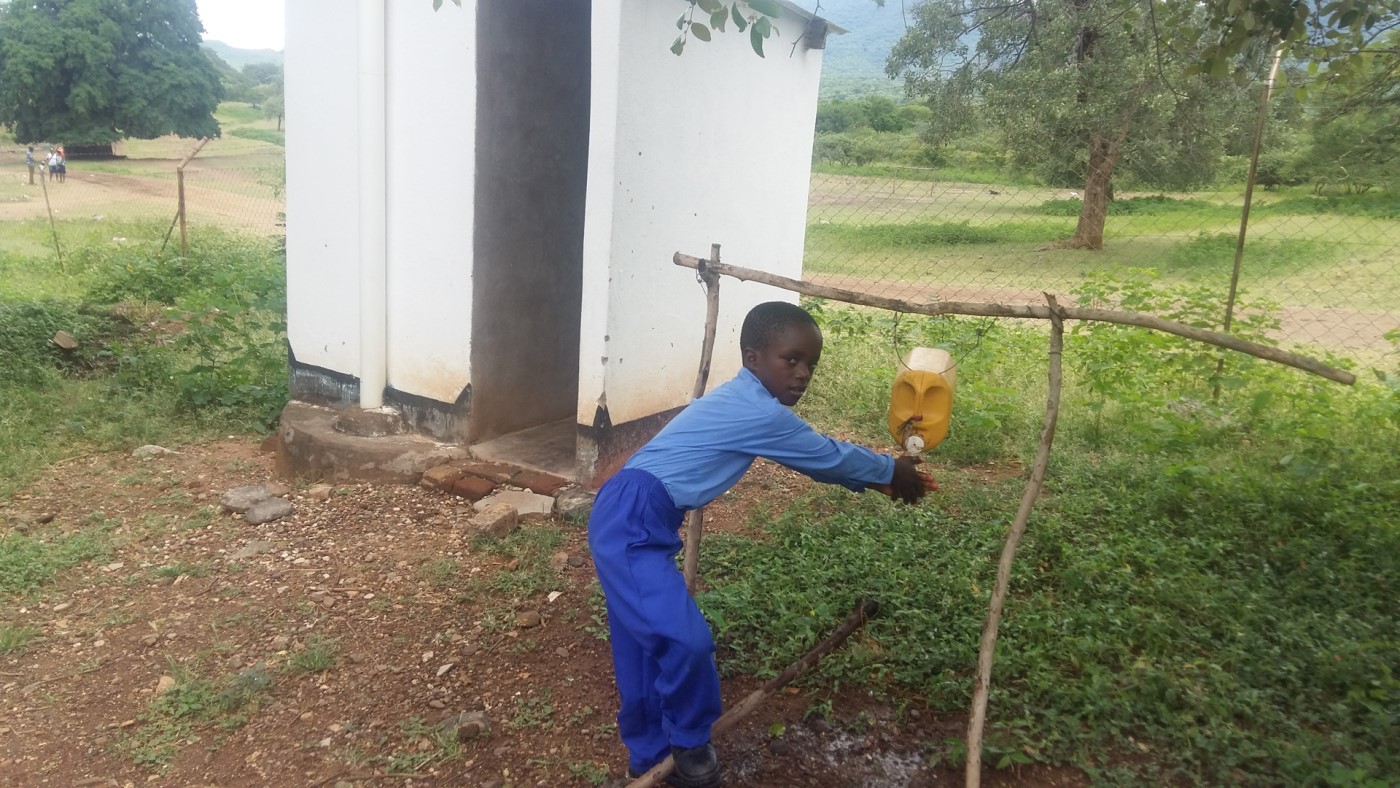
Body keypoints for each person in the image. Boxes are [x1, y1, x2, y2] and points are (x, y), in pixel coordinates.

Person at [588, 301, 937, 787]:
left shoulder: (746, 402)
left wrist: (879, 481)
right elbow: (824, 455)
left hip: (636, 514)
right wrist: (889, 470)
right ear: (753, 358)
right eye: (790, 360)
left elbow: (817, 462)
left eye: (810, 363)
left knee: (643, 642)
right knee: (682, 641)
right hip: (631, 519)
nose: (802, 373)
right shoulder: (756, 411)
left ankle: (648, 755)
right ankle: (688, 744)